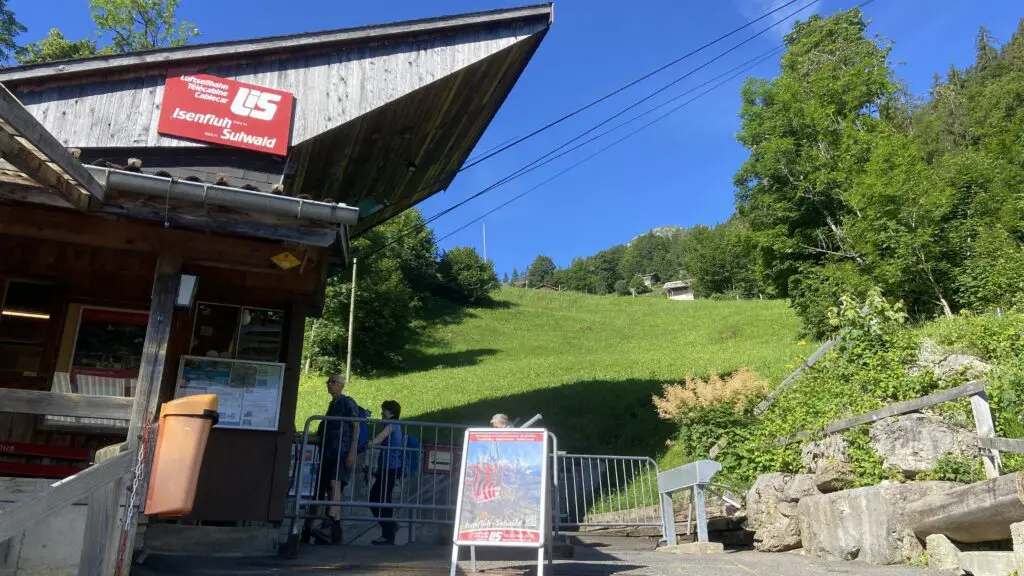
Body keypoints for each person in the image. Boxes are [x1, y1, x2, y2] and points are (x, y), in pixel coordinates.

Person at [304, 373, 360, 545]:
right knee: (328, 489)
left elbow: (355, 427)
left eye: (333, 382)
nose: (329, 384)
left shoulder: (348, 402)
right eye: (328, 381)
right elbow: (323, 432)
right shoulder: (332, 405)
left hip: (341, 452)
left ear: (342, 385)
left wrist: (351, 452)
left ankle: (329, 523)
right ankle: (332, 528)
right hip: (328, 452)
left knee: (335, 485)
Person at [366, 400, 403, 545]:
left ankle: (389, 531)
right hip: (388, 468)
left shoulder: (392, 425)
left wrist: (369, 444)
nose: (382, 413)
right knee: (380, 499)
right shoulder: (394, 425)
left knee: (379, 500)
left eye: (385, 411)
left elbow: (381, 437)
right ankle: (390, 529)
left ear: (392, 413)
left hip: (390, 469)